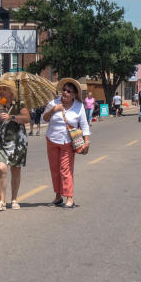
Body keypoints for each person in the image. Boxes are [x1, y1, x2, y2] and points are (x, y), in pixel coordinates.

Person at [41, 78, 91, 208]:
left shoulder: (79, 106)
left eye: (68, 91)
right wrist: (53, 110)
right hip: (52, 140)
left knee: (65, 170)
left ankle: (69, 197)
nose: (65, 93)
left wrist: (86, 142)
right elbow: (44, 119)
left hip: (68, 142)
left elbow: (84, 125)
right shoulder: (53, 103)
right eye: (64, 90)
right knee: (55, 170)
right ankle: (58, 197)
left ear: (74, 94)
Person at [0, 80, 30, 211]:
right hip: (3, 141)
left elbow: (26, 118)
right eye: (0, 89)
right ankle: (2, 201)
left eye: (4, 89)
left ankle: (14, 199)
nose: (1, 91)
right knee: (1, 168)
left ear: (11, 91)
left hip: (18, 141)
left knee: (15, 170)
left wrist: (11, 116)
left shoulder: (19, 104)